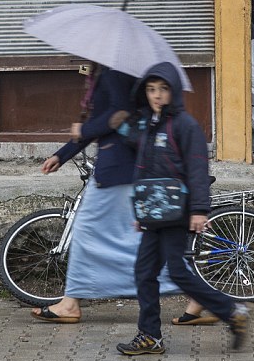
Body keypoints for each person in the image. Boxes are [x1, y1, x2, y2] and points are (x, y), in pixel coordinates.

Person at [116, 62, 249, 355]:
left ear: (173, 91)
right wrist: (142, 212)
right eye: (151, 90)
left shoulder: (185, 125)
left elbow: (198, 169)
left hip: (178, 212)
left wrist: (200, 210)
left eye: (163, 89)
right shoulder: (148, 125)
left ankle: (232, 311)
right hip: (154, 213)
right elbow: (143, 169)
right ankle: (150, 336)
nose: (157, 95)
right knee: (144, 272)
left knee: (177, 271)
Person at [32, 63, 177, 323]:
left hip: (119, 167)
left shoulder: (113, 71)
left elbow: (117, 114)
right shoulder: (103, 72)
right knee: (136, 239)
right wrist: (62, 155)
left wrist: (84, 130)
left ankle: (70, 303)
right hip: (118, 168)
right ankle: (195, 293)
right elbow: (103, 119)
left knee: (88, 228)